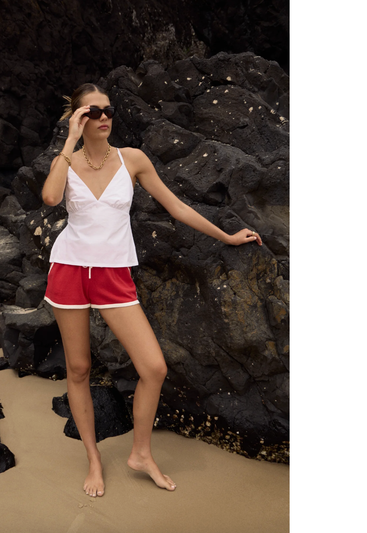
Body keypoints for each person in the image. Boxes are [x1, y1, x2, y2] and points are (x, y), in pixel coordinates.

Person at [41, 83, 262, 498]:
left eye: (108, 110)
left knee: (154, 368)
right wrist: (68, 141)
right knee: (79, 369)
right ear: (77, 118)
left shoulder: (133, 159)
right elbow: (51, 197)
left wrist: (227, 237)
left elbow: (176, 207)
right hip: (69, 271)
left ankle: (140, 454)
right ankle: (93, 459)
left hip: (113, 276)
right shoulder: (65, 161)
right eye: (92, 112)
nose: (103, 117)